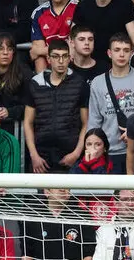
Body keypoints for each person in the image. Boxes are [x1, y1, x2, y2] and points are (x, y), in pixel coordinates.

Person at [26, 39, 90, 173]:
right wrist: (34, 155)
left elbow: (86, 123)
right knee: (41, 195)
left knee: (67, 194)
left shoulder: (79, 84)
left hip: (70, 154)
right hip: (41, 156)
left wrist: (76, 154)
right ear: (48, 58)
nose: (61, 61)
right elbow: (28, 122)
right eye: (56, 56)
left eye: (64, 56)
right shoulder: (35, 84)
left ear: (69, 58)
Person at [89, 34, 134, 170]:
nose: (121, 54)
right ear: (109, 53)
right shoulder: (98, 82)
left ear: (131, 53)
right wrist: (93, 148)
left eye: (126, 50)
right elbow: (94, 120)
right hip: (108, 151)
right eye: (117, 50)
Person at [29, 0, 79, 72]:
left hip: (73, 64)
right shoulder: (39, 13)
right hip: (49, 65)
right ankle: (42, 86)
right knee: (39, 59)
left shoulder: (79, 8)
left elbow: (77, 48)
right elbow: (36, 51)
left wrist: (44, 50)